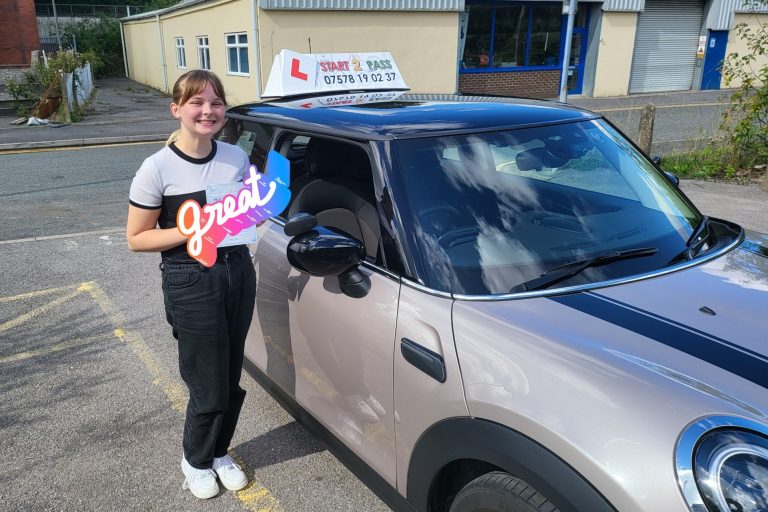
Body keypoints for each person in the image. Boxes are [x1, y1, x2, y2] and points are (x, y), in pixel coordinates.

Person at [126, 69, 255, 499]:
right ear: (177, 109)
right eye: (197, 102)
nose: (208, 110)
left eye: (216, 102)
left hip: (237, 269)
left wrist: (252, 210)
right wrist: (193, 228)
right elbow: (137, 238)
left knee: (232, 370)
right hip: (189, 277)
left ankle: (219, 451)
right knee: (207, 378)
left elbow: (243, 215)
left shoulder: (235, 158)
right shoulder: (157, 167)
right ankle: (196, 459)